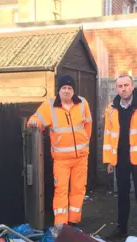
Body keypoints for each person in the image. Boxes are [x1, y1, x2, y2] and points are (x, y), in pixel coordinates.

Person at [27, 75, 92, 227]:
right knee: (61, 191)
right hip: (61, 159)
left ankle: (74, 221)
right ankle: (61, 224)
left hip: (81, 157)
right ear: (59, 90)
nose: (67, 91)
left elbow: (88, 124)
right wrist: (34, 121)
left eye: (70, 88)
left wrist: (85, 142)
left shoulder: (83, 103)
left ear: (73, 90)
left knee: (78, 189)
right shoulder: (49, 105)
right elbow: (36, 118)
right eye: (64, 88)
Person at [103, 74, 137, 239]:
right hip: (121, 158)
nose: (123, 89)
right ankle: (122, 228)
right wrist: (109, 160)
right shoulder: (111, 108)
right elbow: (108, 136)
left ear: (132, 86)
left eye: (126, 85)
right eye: (120, 86)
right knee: (122, 195)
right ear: (116, 88)